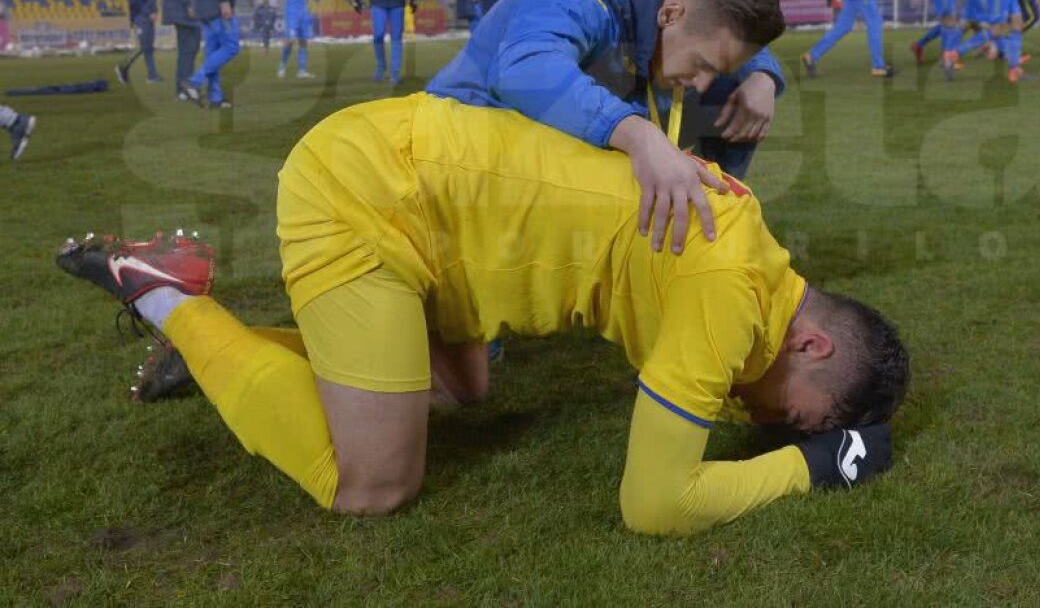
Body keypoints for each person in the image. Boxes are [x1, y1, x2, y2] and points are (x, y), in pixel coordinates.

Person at [56, 92, 909, 535]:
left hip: (439, 209)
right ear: (811, 343)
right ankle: (170, 298)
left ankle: (221, 354)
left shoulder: (754, 254)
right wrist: (816, 468)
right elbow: (656, 504)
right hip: (371, 190)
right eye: (792, 417)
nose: (760, 422)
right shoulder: (731, 295)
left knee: (460, 389)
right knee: (373, 485)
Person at [427, 0, 787, 251]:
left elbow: (721, 21)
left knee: (730, 96)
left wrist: (763, 75)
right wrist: (638, 134)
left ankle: (702, 228)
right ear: (670, 14)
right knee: (627, 144)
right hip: (463, 136)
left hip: (534, 127)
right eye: (700, 64)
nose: (701, 83)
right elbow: (524, 70)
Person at [116, 0, 160, 85]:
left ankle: (152, 75)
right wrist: (149, 12)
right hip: (141, 17)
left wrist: (154, 11)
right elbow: (136, 1)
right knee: (143, 46)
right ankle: (123, 67)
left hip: (147, 17)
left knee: (148, 47)